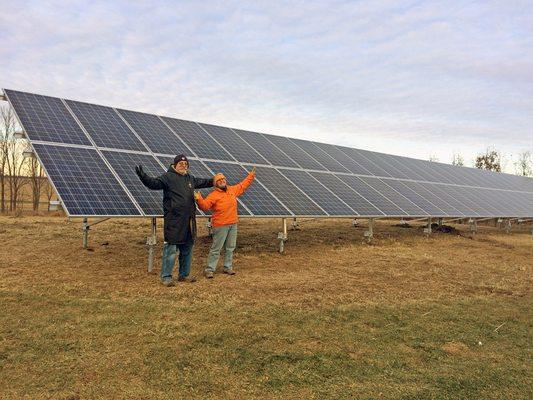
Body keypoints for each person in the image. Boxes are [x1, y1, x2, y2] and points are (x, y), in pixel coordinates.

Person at [135, 154, 213, 286]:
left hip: (188, 221)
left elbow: (203, 182)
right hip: (174, 221)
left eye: (186, 164)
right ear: (175, 165)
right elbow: (154, 184)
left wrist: (214, 180)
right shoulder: (168, 177)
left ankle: (184, 275)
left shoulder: (190, 178)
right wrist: (144, 177)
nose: (184, 166)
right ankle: (166, 277)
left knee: (187, 249)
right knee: (171, 249)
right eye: (181, 164)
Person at [194, 167, 255, 278]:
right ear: (216, 184)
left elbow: (243, 185)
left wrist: (251, 175)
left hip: (233, 224)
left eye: (223, 179)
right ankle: (210, 269)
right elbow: (205, 206)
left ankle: (228, 267)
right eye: (219, 180)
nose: (222, 181)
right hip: (220, 225)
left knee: (230, 247)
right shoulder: (213, 195)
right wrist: (199, 199)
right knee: (216, 248)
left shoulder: (232, 190)